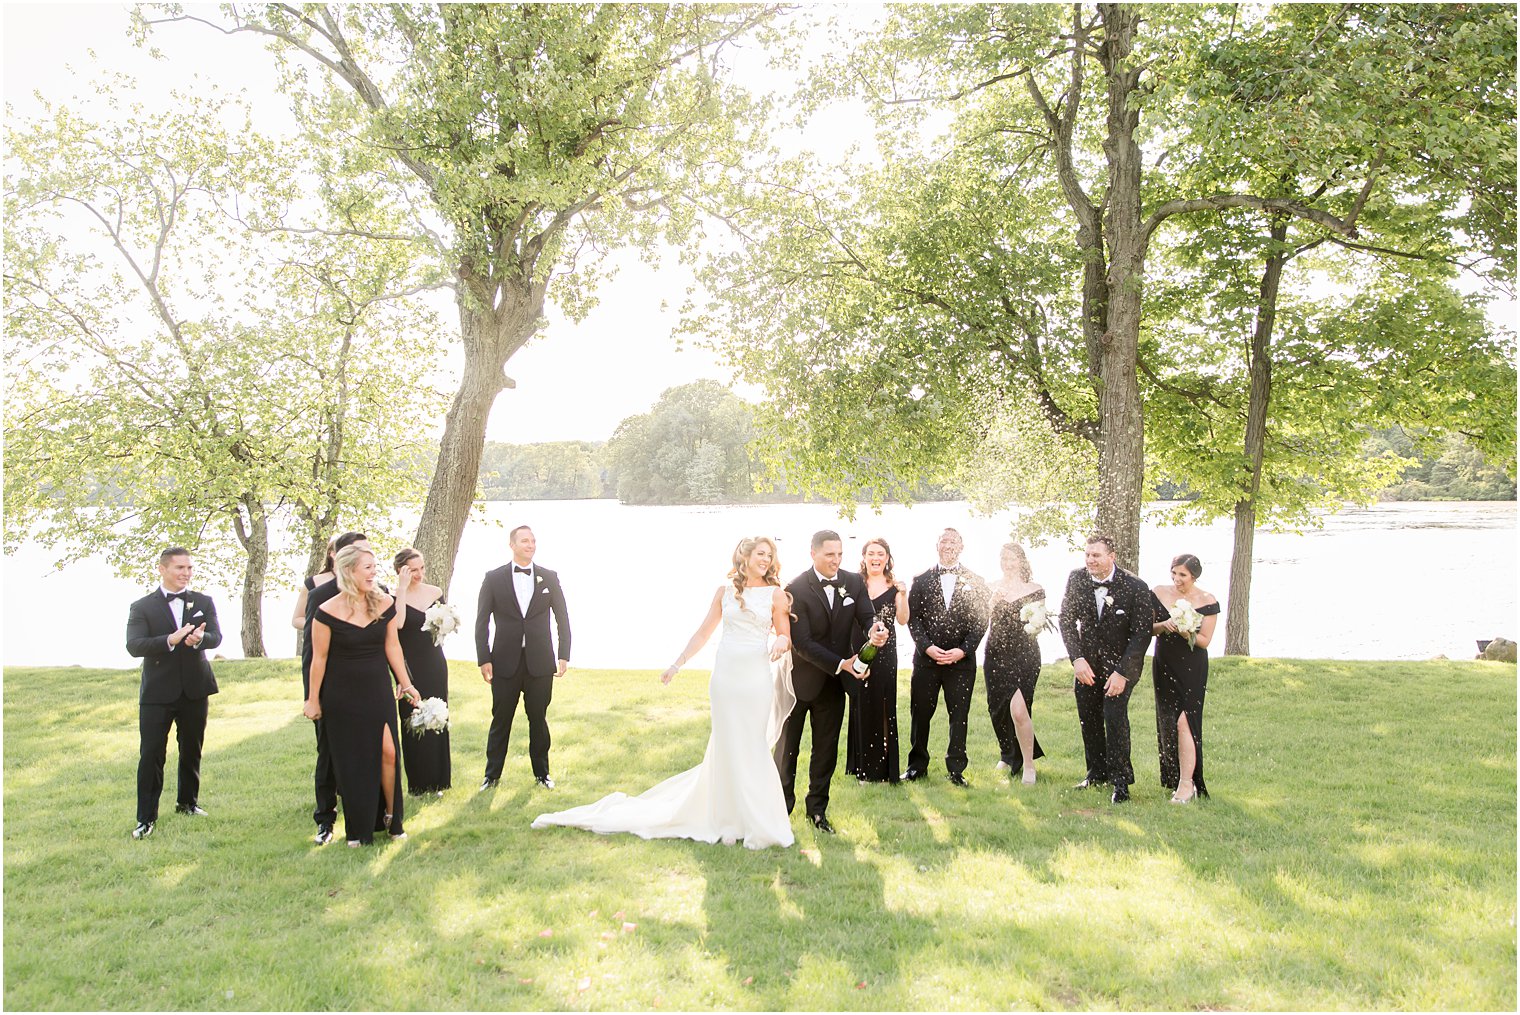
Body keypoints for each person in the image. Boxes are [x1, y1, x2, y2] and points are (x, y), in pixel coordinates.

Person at [532, 536, 797, 848]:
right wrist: (677, 664)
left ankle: (757, 821)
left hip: (755, 679)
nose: (765, 560)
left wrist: (781, 642)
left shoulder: (776, 595)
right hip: (725, 679)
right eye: (760, 554)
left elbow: (784, 634)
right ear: (745, 556)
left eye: (770, 555)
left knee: (751, 744)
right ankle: (726, 821)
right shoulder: (724, 592)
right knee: (726, 745)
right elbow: (702, 633)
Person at [303, 545, 421, 846]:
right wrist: (312, 699)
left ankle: (393, 820)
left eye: (374, 566)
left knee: (389, 753)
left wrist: (406, 684)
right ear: (349, 571)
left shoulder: (384, 603)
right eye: (367, 567)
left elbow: (393, 647)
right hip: (340, 695)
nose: (374, 572)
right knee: (351, 761)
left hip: (376, 690)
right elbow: (319, 659)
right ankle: (357, 830)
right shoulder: (325, 611)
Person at [778, 530, 889, 833]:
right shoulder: (795, 589)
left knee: (825, 750)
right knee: (788, 751)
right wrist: (843, 664)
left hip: (834, 685)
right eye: (830, 555)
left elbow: (867, 616)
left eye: (840, 554)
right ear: (812, 553)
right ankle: (780, 809)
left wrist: (875, 629)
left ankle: (817, 812)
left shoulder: (853, 582)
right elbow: (802, 643)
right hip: (797, 683)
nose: (836, 560)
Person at [124, 547, 223, 840]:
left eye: (189, 568)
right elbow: (134, 646)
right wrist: (170, 639)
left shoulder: (203, 601)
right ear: (162, 569)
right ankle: (146, 818)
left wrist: (199, 639)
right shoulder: (142, 606)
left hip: (195, 688)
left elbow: (216, 637)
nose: (186, 573)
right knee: (152, 754)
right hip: (157, 692)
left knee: (191, 749)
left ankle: (188, 803)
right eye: (180, 568)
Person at [1058, 533, 1153, 804]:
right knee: (1088, 718)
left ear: (1112, 557)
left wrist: (1122, 672)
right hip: (1087, 664)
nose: (1090, 560)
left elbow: (1141, 635)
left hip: (1122, 665)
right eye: (1087, 554)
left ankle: (1121, 782)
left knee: (1114, 718)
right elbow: (1065, 620)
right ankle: (1096, 773)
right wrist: (1077, 659)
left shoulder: (1135, 586)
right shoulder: (1076, 579)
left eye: (1096, 555)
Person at [476, 525, 571, 791]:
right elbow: (482, 620)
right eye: (525, 541)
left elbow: (562, 616)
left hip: (540, 663)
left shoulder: (548, 577)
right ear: (512, 545)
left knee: (538, 719)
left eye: (533, 541)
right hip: (504, 662)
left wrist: (563, 653)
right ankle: (491, 776)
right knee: (501, 719)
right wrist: (484, 658)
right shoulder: (493, 578)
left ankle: (542, 774)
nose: (530, 545)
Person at [300, 530, 371, 845]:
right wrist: (312, 697)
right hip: (332, 689)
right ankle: (325, 821)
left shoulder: (376, 593)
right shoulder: (321, 595)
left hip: (367, 687)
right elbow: (313, 654)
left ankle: (375, 814)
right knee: (328, 753)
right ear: (342, 560)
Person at [903, 528, 989, 786]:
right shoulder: (921, 580)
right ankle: (916, 766)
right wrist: (927, 647)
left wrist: (963, 650)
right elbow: (913, 619)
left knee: (959, 714)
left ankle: (956, 769)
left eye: (953, 541)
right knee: (920, 713)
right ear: (936, 545)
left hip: (961, 662)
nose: (948, 545)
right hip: (926, 661)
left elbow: (981, 621)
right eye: (944, 540)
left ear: (961, 546)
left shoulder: (976, 580)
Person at [1150, 554, 1221, 804]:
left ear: (1194, 576)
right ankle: (1174, 774)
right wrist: (1164, 624)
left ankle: (1187, 784)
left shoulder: (1207, 600)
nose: (1176, 579)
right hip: (1164, 663)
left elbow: (1203, 641)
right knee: (1168, 721)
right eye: (1174, 573)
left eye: (1183, 575)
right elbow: (1149, 628)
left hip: (1192, 666)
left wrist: (1183, 629)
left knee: (1185, 722)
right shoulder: (1158, 592)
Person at [845, 537, 908, 785]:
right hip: (855, 650)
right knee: (860, 705)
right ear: (864, 557)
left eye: (880, 553)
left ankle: (883, 769)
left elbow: (902, 620)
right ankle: (861, 769)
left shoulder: (894, 586)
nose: (876, 557)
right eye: (871, 553)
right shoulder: (853, 583)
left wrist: (902, 595)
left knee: (883, 707)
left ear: (887, 558)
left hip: (885, 654)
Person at [984, 543, 1046, 784]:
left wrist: (1035, 623)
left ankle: (1029, 766)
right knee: (998, 708)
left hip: (1025, 655)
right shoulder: (991, 587)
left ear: (1021, 561)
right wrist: (991, 601)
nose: (1008, 564)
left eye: (1012, 559)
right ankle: (1008, 754)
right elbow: (980, 620)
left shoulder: (1035, 588)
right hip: (996, 655)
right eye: (1004, 559)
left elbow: (1038, 622)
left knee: (1019, 709)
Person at [393, 547, 452, 796]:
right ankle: (418, 784)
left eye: (421, 569)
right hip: (409, 666)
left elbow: (444, 623)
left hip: (434, 662)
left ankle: (438, 782)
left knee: (437, 716)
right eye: (413, 570)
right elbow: (397, 625)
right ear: (401, 571)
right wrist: (402, 588)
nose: (419, 574)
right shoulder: (393, 594)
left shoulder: (435, 592)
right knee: (413, 718)